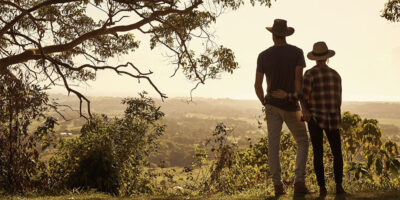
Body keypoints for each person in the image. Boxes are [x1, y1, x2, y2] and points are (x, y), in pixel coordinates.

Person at [272, 41, 346, 196]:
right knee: (337, 153)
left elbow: (303, 95)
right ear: (327, 58)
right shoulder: (336, 75)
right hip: (333, 118)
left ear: (315, 58)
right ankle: (339, 186)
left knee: (318, 153)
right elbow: (338, 100)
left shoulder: (310, 74)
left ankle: (322, 188)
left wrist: (287, 95)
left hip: (315, 119)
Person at [254, 19, 310, 195]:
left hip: (272, 104)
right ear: (285, 35)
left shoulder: (263, 55)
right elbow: (298, 80)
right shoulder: (297, 53)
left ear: (272, 35)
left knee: (273, 146)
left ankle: (278, 186)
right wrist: (303, 106)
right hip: (291, 105)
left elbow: (257, 85)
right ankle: (299, 182)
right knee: (302, 142)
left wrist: (265, 101)